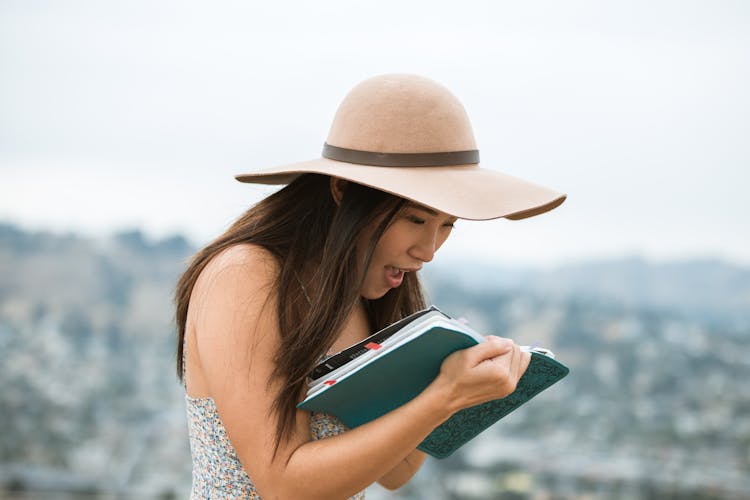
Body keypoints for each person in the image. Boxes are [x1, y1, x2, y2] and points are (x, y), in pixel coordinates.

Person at [174, 73, 566, 499]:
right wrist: (443, 396)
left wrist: (461, 388)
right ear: (344, 191)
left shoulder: (366, 297)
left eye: (447, 225)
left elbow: (395, 471)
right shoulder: (244, 275)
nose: (429, 251)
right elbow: (283, 484)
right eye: (415, 220)